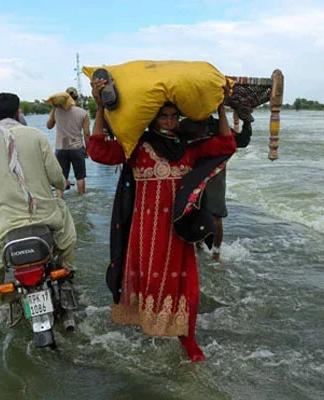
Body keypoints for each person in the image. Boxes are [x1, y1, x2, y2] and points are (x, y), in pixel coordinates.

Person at [86, 78, 236, 362]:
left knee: (188, 289)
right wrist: (99, 109)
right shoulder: (137, 147)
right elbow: (98, 151)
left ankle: (189, 341)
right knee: (148, 285)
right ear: (153, 119)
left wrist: (221, 108)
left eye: (172, 117)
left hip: (178, 231)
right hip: (145, 233)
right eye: (163, 117)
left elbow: (226, 145)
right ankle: (149, 326)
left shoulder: (189, 148)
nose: (168, 122)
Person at [0, 93, 77, 312]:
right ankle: (68, 271)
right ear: (18, 113)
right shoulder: (36, 135)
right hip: (44, 218)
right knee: (65, 231)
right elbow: (57, 178)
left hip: (4, 225)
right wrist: (63, 183)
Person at [185, 109, 253, 263]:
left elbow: (241, 141)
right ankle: (198, 247)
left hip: (215, 175)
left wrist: (247, 122)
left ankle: (216, 253)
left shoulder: (218, 125)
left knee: (215, 216)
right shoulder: (184, 126)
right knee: (192, 214)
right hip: (190, 174)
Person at [47, 87, 90, 196]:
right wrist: (88, 149)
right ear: (76, 98)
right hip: (77, 147)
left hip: (61, 147)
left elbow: (49, 126)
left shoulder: (56, 111)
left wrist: (54, 108)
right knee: (80, 177)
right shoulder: (83, 113)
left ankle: (60, 199)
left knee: (61, 177)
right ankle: (82, 197)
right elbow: (87, 134)